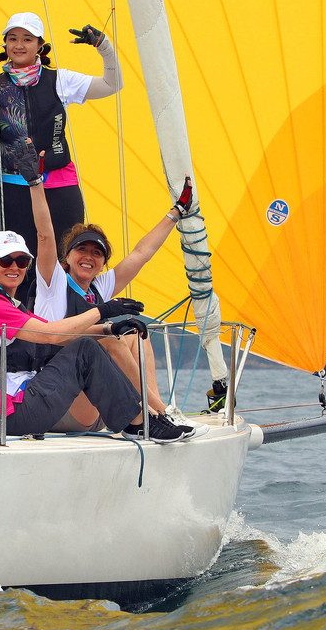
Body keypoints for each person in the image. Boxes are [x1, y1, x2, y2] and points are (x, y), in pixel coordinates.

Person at [0, 229, 194, 443]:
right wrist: (104, 311)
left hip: (16, 408)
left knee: (93, 343)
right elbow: (52, 335)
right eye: (6, 261)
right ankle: (140, 423)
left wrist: (110, 328)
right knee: (86, 349)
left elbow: (59, 330)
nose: (15, 267)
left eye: (22, 261)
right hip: (11, 414)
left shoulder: (4, 304)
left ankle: (145, 419)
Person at [23, 133, 203, 431]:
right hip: (57, 405)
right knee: (108, 338)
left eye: (97, 253)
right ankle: (158, 414)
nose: (88, 257)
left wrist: (177, 212)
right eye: (81, 250)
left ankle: (156, 410)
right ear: (67, 256)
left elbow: (142, 253)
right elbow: (44, 235)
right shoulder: (53, 282)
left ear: (103, 262)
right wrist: (35, 183)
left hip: (97, 406)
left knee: (136, 334)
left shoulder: (100, 287)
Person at [0, 11, 122, 303]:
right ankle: (26, 324)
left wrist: (104, 47)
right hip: (15, 185)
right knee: (20, 261)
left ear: (40, 45)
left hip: (59, 184)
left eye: (27, 39)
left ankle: (73, 318)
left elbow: (112, 85)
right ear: (5, 44)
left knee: (68, 258)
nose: (19, 45)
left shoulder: (60, 79)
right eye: (12, 38)